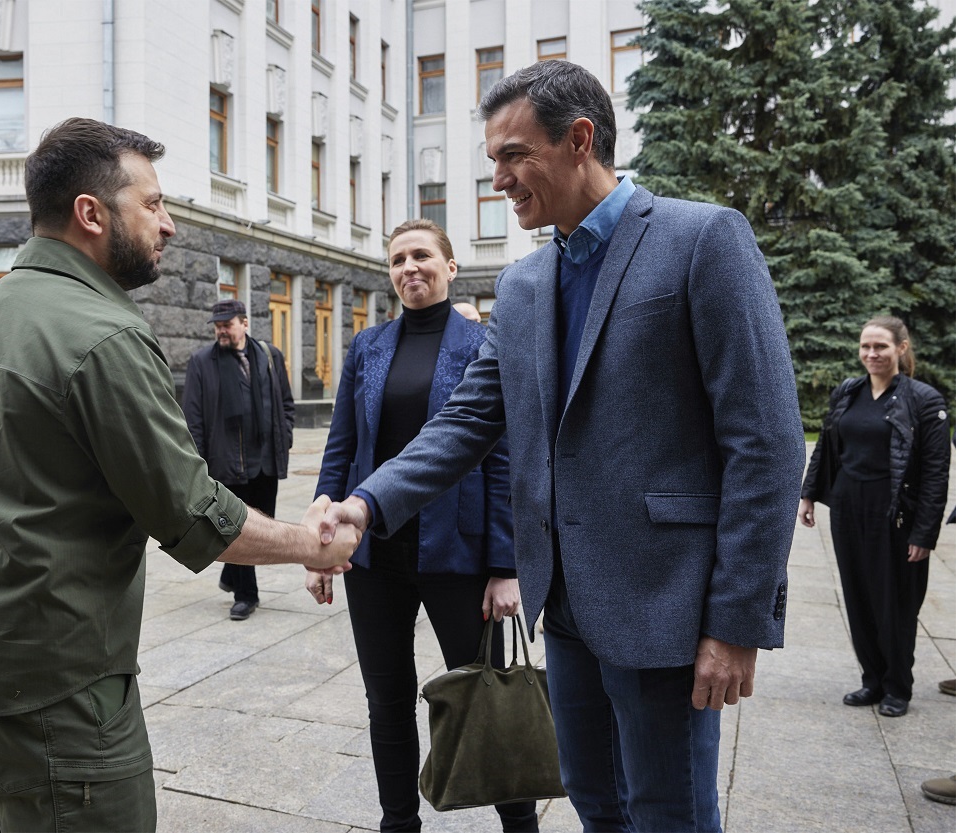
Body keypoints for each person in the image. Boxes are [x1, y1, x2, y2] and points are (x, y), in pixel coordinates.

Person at [319, 60, 805, 832]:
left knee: (669, 809)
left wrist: (736, 619)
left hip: (667, 608)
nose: (499, 180)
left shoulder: (701, 239)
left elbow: (768, 444)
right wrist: (366, 503)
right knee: (593, 797)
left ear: (580, 139)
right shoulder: (524, 281)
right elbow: (467, 422)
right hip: (567, 608)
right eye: (492, 162)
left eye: (514, 156)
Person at [0, 117, 359, 833]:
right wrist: (315, 544)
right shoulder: (106, 334)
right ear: (91, 214)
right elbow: (193, 513)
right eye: (152, 204)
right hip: (58, 692)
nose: (171, 224)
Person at [307, 219, 537, 833]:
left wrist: (505, 564)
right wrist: (320, 542)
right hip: (373, 556)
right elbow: (342, 449)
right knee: (385, 703)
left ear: (450, 266)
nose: (409, 268)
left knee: (485, 700)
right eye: (398, 259)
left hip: (456, 556)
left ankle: (519, 823)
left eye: (422, 256)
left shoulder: (484, 344)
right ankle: (396, 823)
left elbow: (502, 457)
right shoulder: (368, 346)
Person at [799, 319, 950, 717]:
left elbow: (936, 473)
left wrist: (925, 533)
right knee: (860, 599)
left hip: (896, 518)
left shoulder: (924, 400)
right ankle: (872, 680)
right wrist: (809, 493)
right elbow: (827, 447)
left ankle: (897, 686)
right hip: (849, 511)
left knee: (896, 605)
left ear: (901, 348)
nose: (872, 354)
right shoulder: (848, 393)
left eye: (881, 346)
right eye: (865, 345)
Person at [183, 298, 296, 620]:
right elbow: (193, 418)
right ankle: (247, 596)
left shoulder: (270, 356)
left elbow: (286, 403)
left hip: (266, 461)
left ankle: (231, 575)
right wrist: (199, 465)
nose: (221, 330)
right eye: (217, 325)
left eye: (227, 324)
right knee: (239, 531)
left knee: (265, 528)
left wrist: (285, 435)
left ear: (244, 324)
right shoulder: (202, 362)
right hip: (227, 463)